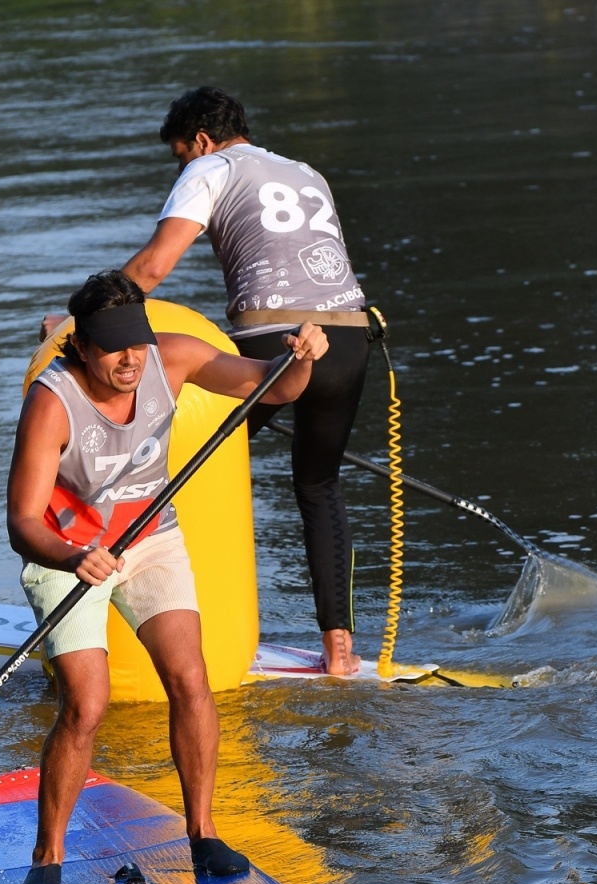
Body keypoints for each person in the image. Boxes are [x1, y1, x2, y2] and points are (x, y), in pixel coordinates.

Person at [7, 270, 328, 884]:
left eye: (137, 342)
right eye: (112, 349)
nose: (130, 360)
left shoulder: (171, 357)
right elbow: (22, 522)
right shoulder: (52, 402)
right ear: (82, 347)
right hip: (68, 552)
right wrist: (74, 555)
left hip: (150, 539)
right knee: (86, 706)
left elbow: (275, 385)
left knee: (190, 677)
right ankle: (48, 856)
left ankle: (203, 835)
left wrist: (301, 358)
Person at [122, 86, 371, 677]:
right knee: (319, 485)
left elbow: (152, 268)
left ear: (201, 141)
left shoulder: (210, 168)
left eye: (180, 155)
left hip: (273, 344)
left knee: (173, 464)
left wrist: (82, 320)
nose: (181, 167)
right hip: (350, 339)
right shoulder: (305, 171)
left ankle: (176, 631)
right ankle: (339, 653)